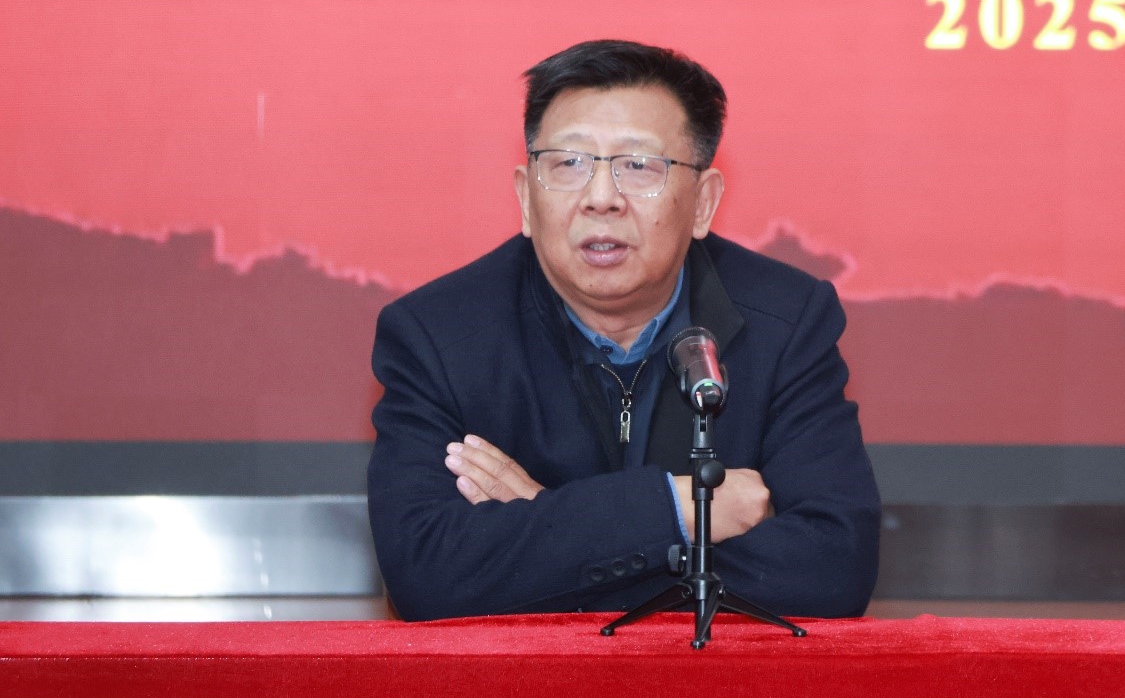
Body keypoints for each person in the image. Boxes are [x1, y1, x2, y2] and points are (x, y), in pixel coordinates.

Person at [368, 40, 880, 622]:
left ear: (703, 203)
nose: (601, 199)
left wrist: (550, 532)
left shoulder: (787, 322)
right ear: (526, 198)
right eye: (568, 163)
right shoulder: (437, 336)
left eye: (639, 166)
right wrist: (679, 510)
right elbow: (426, 577)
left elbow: (834, 569)